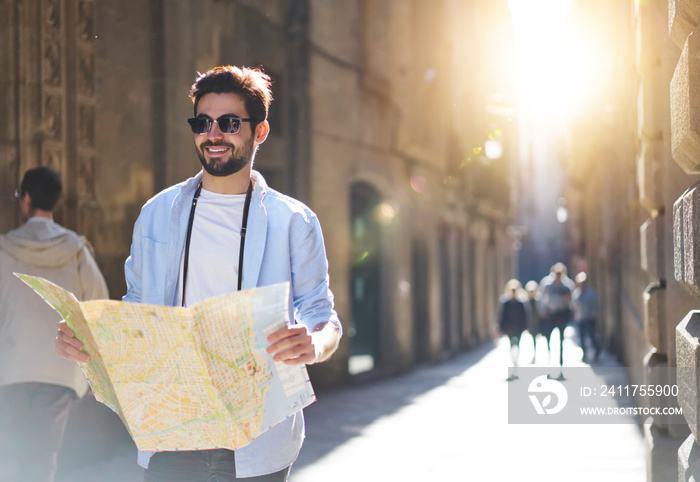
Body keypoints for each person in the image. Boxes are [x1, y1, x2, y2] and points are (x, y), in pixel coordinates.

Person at [55, 65, 342, 482]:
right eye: (203, 123)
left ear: (259, 132)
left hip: (259, 438)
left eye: (229, 123)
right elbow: (137, 313)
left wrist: (313, 345)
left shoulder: (294, 220)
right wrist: (90, 339)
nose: (213, 134)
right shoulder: (156, 213)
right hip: (171, 430)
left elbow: (323, 316)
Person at [0, 166, 109, 482]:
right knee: (44, 457)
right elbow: (98, 309)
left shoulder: (4, 250)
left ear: (27, 199)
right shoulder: (76, 250)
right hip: (60, 372)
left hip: (11, 370)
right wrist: (95, 375)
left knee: (12, 458)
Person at [538, 262, 575, 367]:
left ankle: (561, 362)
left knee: (561, 339)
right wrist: (543, 311)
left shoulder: (567, 285)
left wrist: (568, 301)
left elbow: (572, 300)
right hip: (550, 314)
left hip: (562, 313)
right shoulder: (547, 284)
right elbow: (541, 299)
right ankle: (550, 360)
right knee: (548, 338)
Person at [496, 279, 528, 380]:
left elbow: (525, 315)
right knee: (511, 346)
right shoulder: (505, 302)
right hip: (509, 328)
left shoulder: (521, 302)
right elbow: (501, 315)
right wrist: (499, 327)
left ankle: (516, 364)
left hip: (518, 327)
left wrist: (525, 326)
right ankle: (513, 364)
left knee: (517, 346)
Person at [572, 271, 601, 363]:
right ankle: (584, 353)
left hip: (589, 318)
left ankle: (597, 349)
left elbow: (595, 304)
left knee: (591, 336)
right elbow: (573, 304)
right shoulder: (576, 293)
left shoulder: (591, 293)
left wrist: (593, 315)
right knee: (581, 338)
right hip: (580, 318)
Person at [524, 280, 541, 364]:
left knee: (536, 339)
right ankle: (533, 354)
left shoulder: (538, 301)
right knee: (532, 339)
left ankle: (536, 354)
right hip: (530, 324)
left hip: (537, 324)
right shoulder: (525, 302)